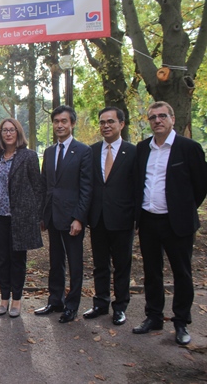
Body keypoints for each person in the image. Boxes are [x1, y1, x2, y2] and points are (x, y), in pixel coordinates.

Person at [132, 101, 207, 345]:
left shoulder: (189, 148)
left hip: (178, 223)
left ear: (172, 119)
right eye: (152, 117)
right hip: (149, 220)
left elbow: (200, 186)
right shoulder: (143, 148)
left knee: (181, 273)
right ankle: (153, 316)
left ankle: (181, 322)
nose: (157, 120)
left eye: (162, 116)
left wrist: (183, 209)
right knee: (151, 272)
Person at [0, 118, 43, 318]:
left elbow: (37, 188)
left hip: (21, 218)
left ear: (18, 132)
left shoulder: (29, 156)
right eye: (4, 130)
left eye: (12, 130)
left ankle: (16, 300)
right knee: (3, 259)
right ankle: (4, 298)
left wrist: (36, 216)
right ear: (0, 134)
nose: (8, 133)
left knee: (18, 260)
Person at [35, 105, 92, 323]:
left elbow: (87, 188)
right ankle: (55, 301)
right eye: (56, 121)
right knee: (55, 261)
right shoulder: (49, 152)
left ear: (72, 123)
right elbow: (44, 185)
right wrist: (42, 215)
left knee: (75, 264)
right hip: (52, 216)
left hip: (72, 219)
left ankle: (72, 305)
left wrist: (79, 218)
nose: (60, 125)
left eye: (64, 121)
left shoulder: (84, 151)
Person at [84, 107, 136, 326]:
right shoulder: (92, 151)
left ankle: (120, 306)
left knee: (122, 265)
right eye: (102, 122)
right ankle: (100, 302)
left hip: (122, 218)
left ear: (121, 124)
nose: (106, 126)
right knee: (100, 264)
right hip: (98, 218)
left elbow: (137, 186)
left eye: (111, 122)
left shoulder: (133, 152)